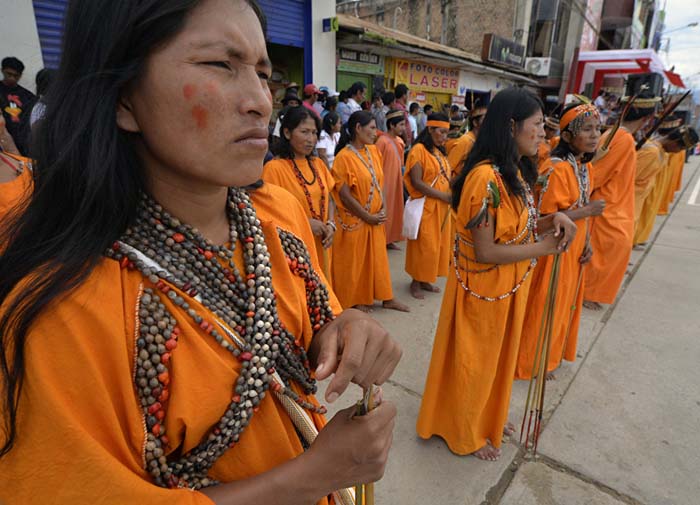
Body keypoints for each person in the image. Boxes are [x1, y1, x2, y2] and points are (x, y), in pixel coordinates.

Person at [0, 1, 402, 503]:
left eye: (263, 73)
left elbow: (306, 329)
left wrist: (347, 332)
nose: (260, 100)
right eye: (220, 65)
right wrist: (313, 476)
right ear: (124, 97)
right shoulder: (65, 314)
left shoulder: (275, 214)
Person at [416, 87, 576, 461]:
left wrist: (558, 218)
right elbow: (486, 250)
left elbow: (523, 226)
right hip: (484, 287)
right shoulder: (483, 178)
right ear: (511, 126)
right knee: (476, 360)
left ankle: (488, 413)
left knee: (498, 358)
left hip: (509, 285)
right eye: (536, 125)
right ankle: (465, 432)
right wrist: (543, 248)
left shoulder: (515, 173)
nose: (543, 133)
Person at [515, 103, 605, 380]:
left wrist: (587, 241)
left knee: (564, 305)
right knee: (546, 305)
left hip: (574, 246)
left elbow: (581, 208)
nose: (594, 135)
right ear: (566, 136)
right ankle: (531, 362)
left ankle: (550, 357)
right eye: (586, 129)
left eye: (597, 129)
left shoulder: (584, 168)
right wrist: (587, 211)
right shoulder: (556, 168)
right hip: (554, 245)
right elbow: (544, 216)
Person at [583, 95, 657, 311]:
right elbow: (598, 174)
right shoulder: (621, 138)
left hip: (616, 202)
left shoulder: (620, 136)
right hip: (608, 205)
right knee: (608, 249)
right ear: (647, 119)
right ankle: (588, 291)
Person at [331, 111, 409, 314]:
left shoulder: (373, 151)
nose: (376, 132)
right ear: (358, 128)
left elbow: (378, 180)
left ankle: (386, 297)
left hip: (374, 218)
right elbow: (345, 195)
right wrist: (367, 216)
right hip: (356, 219)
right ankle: (357, 299)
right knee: (355, 263)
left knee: (378, 261)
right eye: (372, 128)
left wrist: (381, 206)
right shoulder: (343, 158)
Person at [263, 106, 335, 278]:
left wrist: (331, 224)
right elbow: (267, 213)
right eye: (304, 132)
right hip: (293, 248)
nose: (311, 139)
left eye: (314, 133)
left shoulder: (318, 164)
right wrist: (305, 223)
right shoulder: (274, 169)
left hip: (322, 244)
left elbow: (330, 199)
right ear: (287, 133)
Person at [403, 113, 452, 299]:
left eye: (447, 133)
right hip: (426, 207)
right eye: (441, 132)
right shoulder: (418, 150)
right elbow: (417, 182)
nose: (444, 137)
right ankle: (415, 281)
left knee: (437, 246)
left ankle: (425, 279)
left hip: (442, 208)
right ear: (430, 129)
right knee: (424, 246)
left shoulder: (439, 152)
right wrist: (442, 195)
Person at [633, 126, 698, 247]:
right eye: (681, 148)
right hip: (629, 202)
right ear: (674, 142)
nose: (679, 152)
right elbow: (628, 178)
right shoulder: (651, 152)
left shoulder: (659, 151)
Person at [375, 110, 406, 248]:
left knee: (395, 208)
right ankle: (382, 238)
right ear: (392, 126)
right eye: (400, 124)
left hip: (396, 180)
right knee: (385, 209)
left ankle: (390, 238)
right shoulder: (382, 141)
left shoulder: (399, 141)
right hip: (385, 181)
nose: (403, 128)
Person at [0, 57, 36, 156]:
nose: (12, 78)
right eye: (9, 74)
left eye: (16, 76)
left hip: (23, 143)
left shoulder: (29, 97)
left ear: (20, 75)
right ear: (2, 71)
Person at [446, 98, 487, 178]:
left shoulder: (480, 141)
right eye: (485, 119)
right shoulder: (465, 141)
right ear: (475, 122)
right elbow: (448, 169)